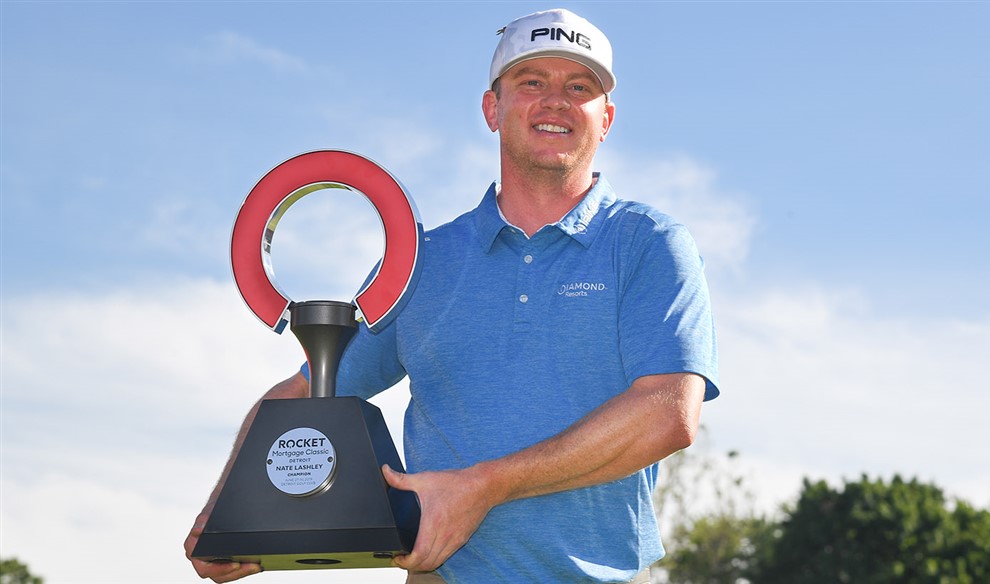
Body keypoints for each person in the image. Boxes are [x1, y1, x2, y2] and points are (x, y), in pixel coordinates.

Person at [185, 8, 720, 584]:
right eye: (531, 82)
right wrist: (228, 513)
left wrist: (483, 487)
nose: (555, 101)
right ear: (492, 109)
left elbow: (668, 413)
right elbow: (307, 391)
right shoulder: (422, 263)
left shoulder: (648, 244)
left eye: (579, 88)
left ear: (605, 118)